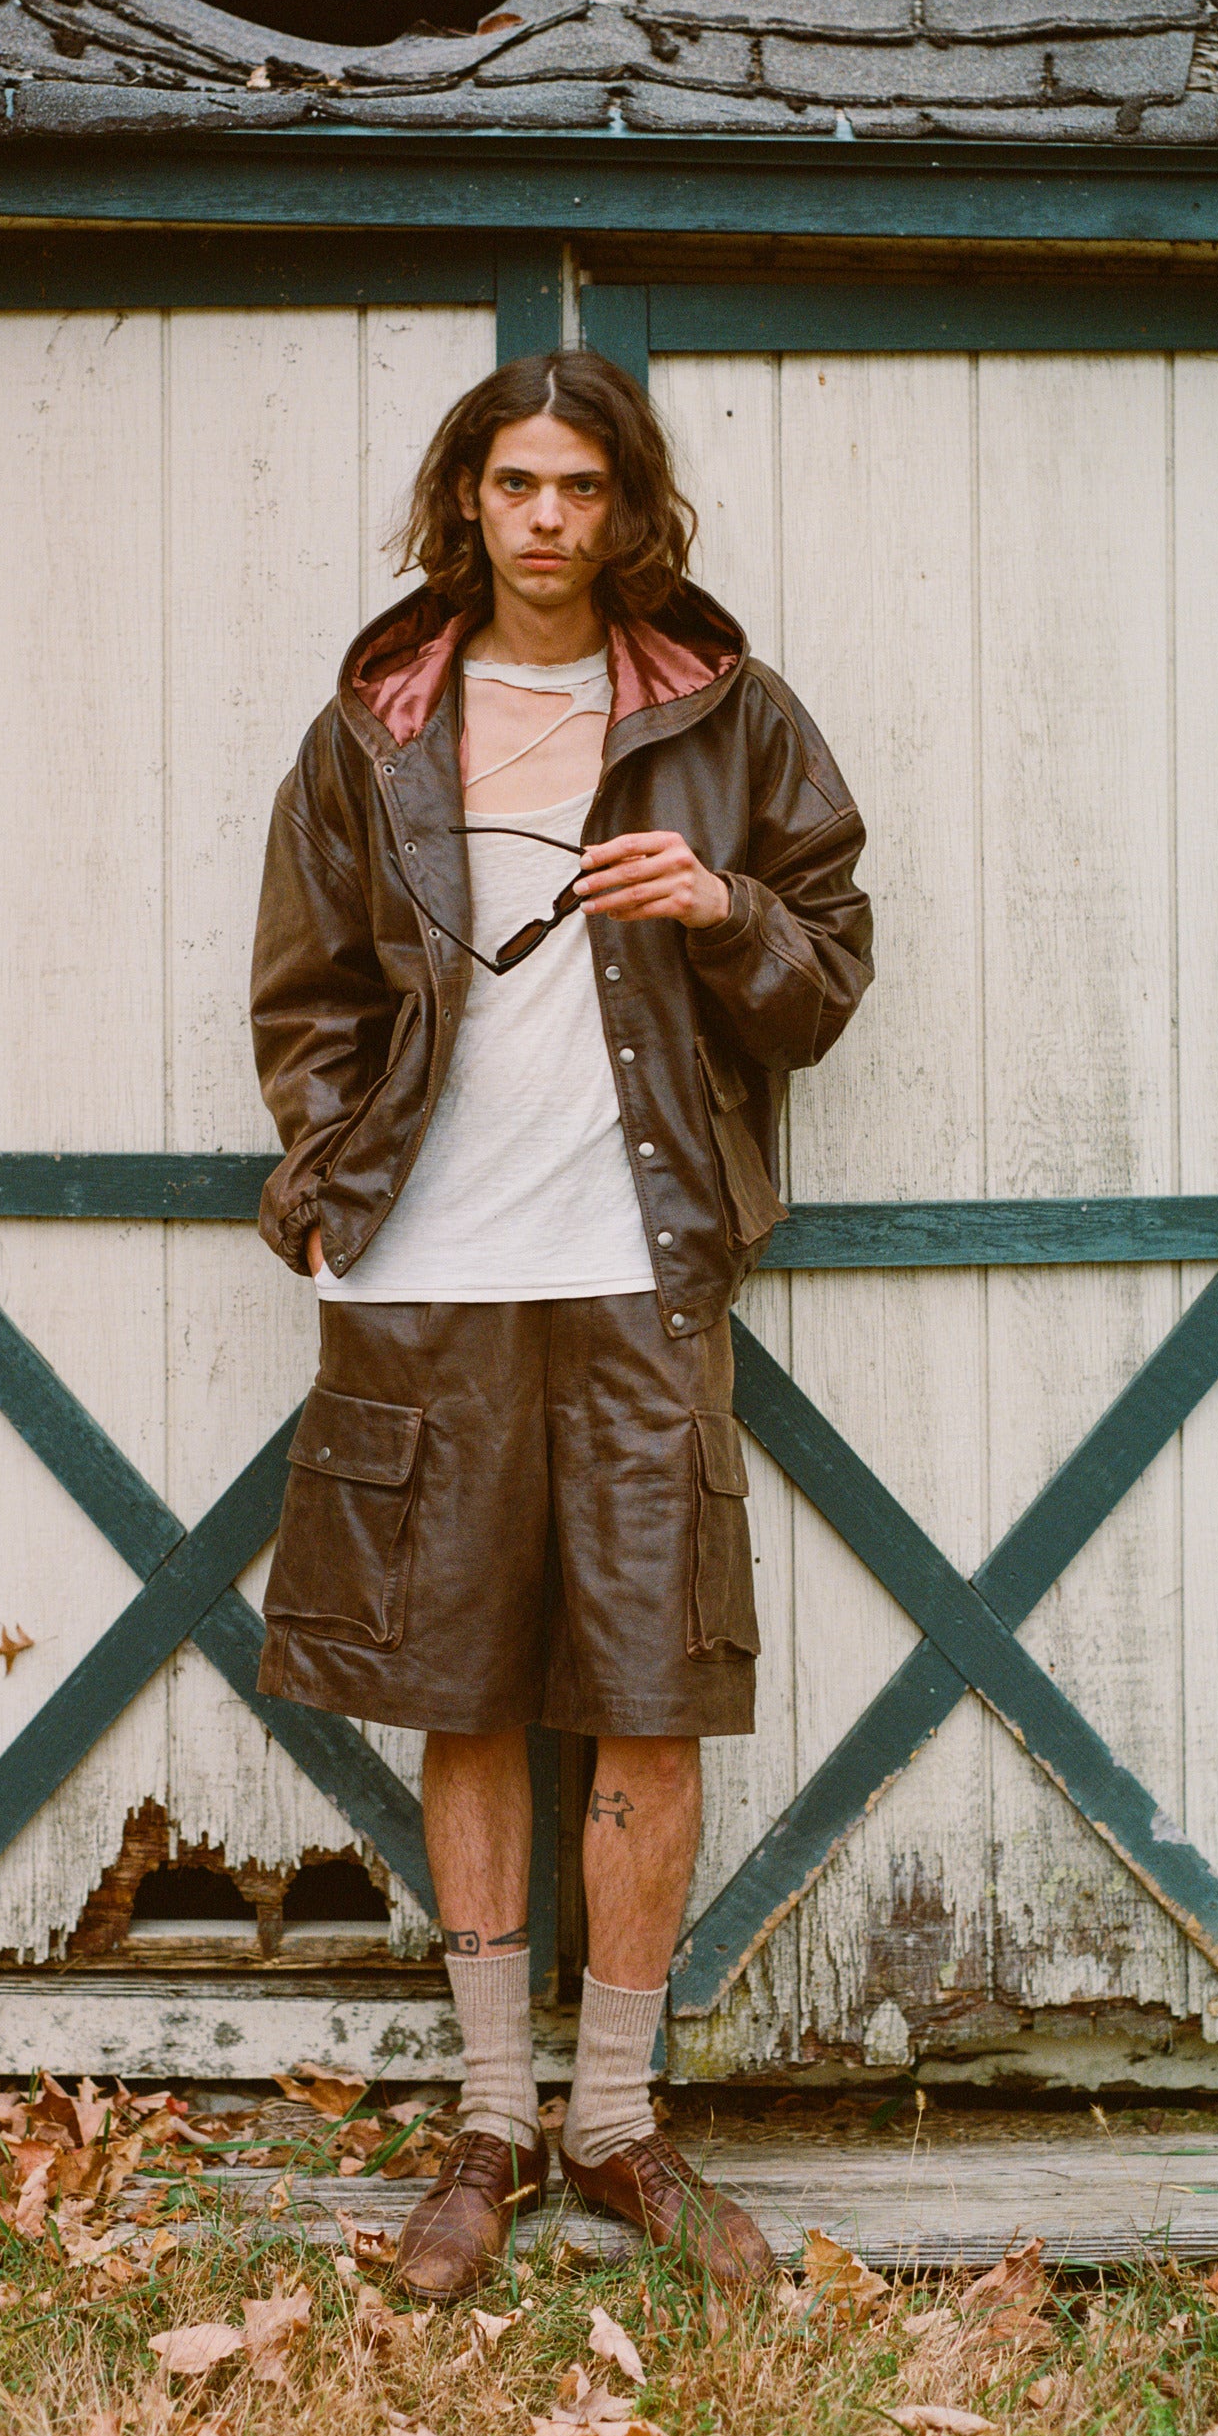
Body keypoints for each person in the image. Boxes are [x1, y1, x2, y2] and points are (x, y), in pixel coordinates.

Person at [249, 349, 871, 2301]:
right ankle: (493, 2122)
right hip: (426, 1268)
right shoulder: (374, 726)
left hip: (636, 1258)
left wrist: (722, 911)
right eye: (513, 483)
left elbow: (828, 978)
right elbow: (308, 993)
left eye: (580, 488)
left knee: (650, 1688)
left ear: (628, 510)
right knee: (460, 1692)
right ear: (466, 503)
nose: (544, 518)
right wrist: (332, 1182)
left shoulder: (725, 716)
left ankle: (616, 2126)